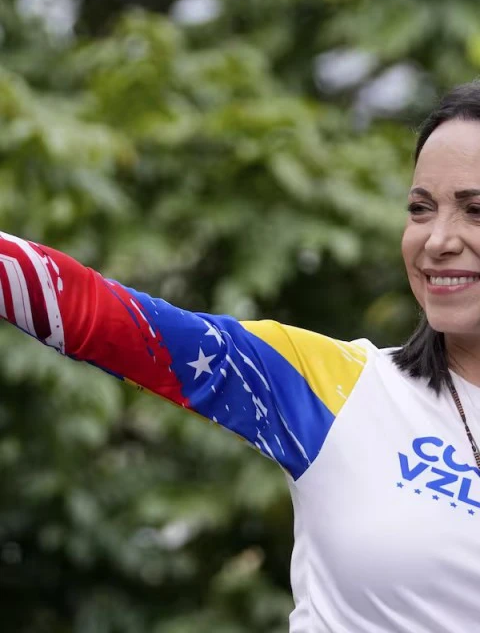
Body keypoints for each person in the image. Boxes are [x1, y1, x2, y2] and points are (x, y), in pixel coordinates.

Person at [2, 81, 480, 633]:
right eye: (421, 209)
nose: (437, 240)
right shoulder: (336, 386)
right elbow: (92, 310)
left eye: (475, 210)